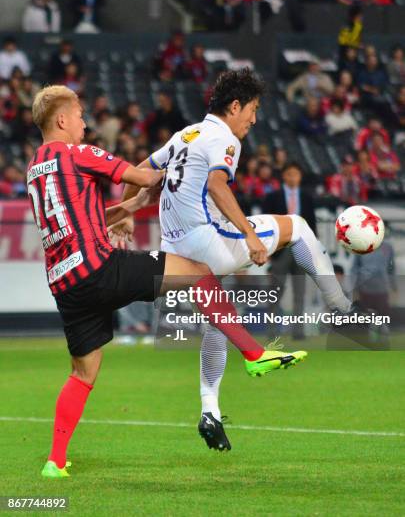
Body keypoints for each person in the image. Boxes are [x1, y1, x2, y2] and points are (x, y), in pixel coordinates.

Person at [29, 84, 302, 476]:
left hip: (65, 282)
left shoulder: (36, 168)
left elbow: (78, 221)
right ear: (61, 120)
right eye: (79, 117)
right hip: (99, 268)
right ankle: (254, 354)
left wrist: (129, 208)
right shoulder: (79, 153)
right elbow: (143, 174)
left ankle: (55, 462)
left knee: (82, 373)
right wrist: (182, 154)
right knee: (199, 273)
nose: (85, 125)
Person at [115, 69, 362, 452]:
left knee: (220, 321)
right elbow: (216, 184)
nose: (255, 119)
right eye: (253, 109)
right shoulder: (224, 138)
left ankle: (209, 411)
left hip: (175, 251)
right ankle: (342, 308)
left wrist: (130, 211)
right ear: (235, 106)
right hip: (207, 242)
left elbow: (140, 172)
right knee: (296, 226)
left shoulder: (186, 134)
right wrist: (248, 234)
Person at [262, 162, 317, 340]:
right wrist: (268, 249)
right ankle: (271, 331)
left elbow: (312, 226)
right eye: (289, 174)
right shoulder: (272, 197)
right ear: (284, 176)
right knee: (275, 291)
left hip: (300, 248)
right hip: (280, 248)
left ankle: (298, 332)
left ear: (300, 177)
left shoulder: (307, 197)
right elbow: (266, 223)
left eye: (296, 174)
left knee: (300, 291)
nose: (293, 177)